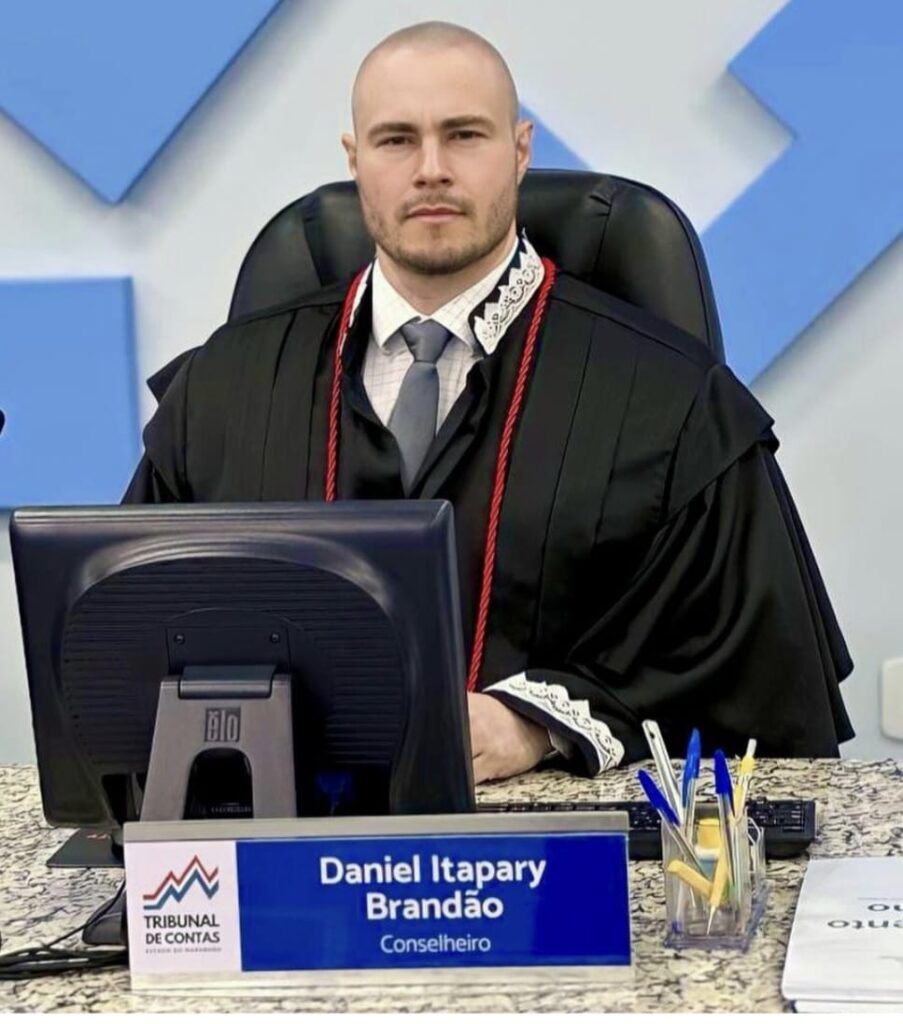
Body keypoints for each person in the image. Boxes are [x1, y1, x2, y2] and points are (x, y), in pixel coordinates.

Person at [124, 21, 853, 782]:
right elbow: (133, 637)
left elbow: (753, 676)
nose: (431, 170)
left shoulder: (675, 399)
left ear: (520, 149)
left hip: (566, 831)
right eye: (396, 140)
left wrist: (542, 721)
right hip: (287, 827)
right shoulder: (227, 385)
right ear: (354, 159)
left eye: (464, 135)